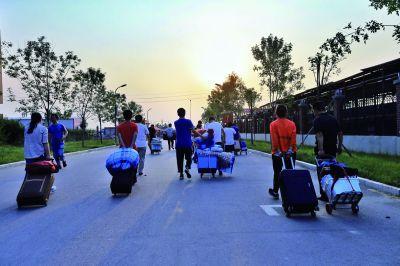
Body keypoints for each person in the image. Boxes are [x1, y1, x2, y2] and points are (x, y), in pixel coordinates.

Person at [312, 101, 343, 201]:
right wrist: (339, 146)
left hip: (323, 151)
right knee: (332, 171)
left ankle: (324, 195)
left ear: (316, 110)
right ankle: (333, 192)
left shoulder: (317, 120)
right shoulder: (333, 119)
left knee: (322, 172)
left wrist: (321, 149)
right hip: (333, 150)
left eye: (313, 110)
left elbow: (320, 135)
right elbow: (340, 133)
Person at [268, 104, 297, 199]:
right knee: (290, 172)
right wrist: (289, 151)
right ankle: (292, 191)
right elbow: (293, 139)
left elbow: (275, 140)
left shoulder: (273, 124)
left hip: (278, 154)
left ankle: (276, 191)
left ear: (276, 113)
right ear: (286, 113)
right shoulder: (292, 124)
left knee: (277, 172)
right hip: (290, 153)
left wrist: (279, 151)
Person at [24, 112, 56, 192]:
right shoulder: (43, 129)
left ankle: (27, 189)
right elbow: (45, 143)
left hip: (28, 155)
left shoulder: (26, 127)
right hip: (39, 155)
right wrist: (48, 155)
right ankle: (48, 187)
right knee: (45, 170)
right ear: (40, 119)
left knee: (30, 173)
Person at [174, 108, 194, 180]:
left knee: (180, 159)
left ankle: (181, 174)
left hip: (179, 144)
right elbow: (193, 130)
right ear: (185, 113)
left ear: (178, 114)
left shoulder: (176, 122)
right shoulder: (188, 121)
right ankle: (187, 167)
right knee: (189, 158)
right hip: (187, 143)